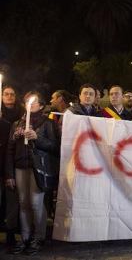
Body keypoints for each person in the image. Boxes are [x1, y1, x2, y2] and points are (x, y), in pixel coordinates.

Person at [5, 91, 59, 255]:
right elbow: (9, 150)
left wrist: (37, 138)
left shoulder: (48, 123)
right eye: (28, 101)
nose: (31, 104)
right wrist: (9, 174)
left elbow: (54, 147)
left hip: (39, 168)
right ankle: (25, 237)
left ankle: (38, 237)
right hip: (21, 166)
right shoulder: (17, 124)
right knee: (23, 203)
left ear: (41, 105)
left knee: (36, 203)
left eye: (34, 102)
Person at [0, 85, 23, 248]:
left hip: (11, 160)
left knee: (12, 199)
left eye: (12, 94)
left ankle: (11, 231)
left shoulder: (21, 114)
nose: (9, 96)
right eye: (6, 94)